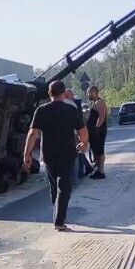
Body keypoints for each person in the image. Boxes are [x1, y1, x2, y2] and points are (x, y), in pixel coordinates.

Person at [23, 80, 89, 231]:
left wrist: (27, 154)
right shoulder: (71, 110)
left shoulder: (41, 110)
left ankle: (58, 214)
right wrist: (84, 144)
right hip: (68, 154)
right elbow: (83, 131)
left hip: (48, 156)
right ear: (64, 93)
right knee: (64, 187)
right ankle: (59, 220)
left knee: (55, 187)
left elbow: (33, 133)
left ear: (49, 93)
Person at [86, 85, 108, 179]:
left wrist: (97, 129)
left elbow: (101, 117)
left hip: (98, 132)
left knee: (100, 151)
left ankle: (101, 172)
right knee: (96, 151)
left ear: (95, 92)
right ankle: (97, 170)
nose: (87, 95)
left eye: (89, 92)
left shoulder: (99, 102)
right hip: (95, 133)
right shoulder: (95, 102)